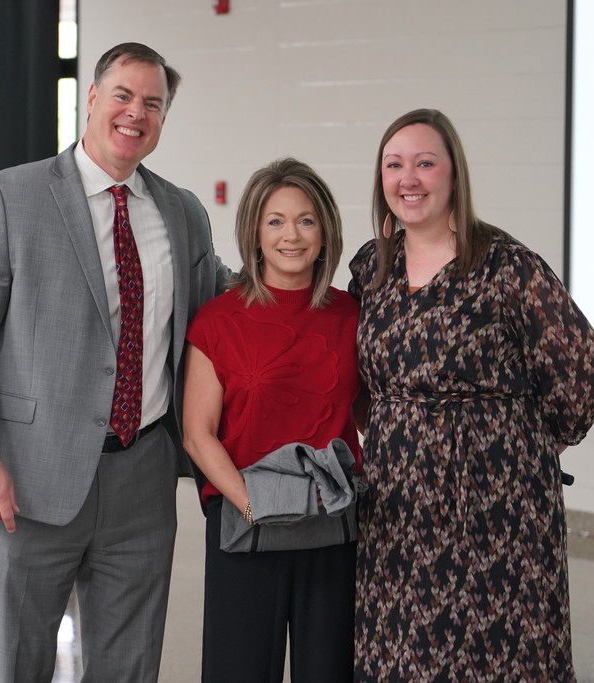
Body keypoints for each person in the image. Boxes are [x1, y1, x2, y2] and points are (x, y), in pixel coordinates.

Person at [0, 42, 228, 682]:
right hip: (29, 476)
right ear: (92, 98)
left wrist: (312, 284)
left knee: (130, 665)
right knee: (18, 661)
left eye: (153, 103)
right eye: (123, 95)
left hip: (144, 476)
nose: (135, 113)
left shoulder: (182, 213)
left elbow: (226, 307)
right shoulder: (10, 196)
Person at [348, 109, 594, 682]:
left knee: (497, 655)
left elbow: (587, 368)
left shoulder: (506, 266)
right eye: (394, 164)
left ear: (453, 175)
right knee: (403, 652)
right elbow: (358, 370)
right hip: (397, 506)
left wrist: (531, 453)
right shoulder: (373, 266)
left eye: (425, 162)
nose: (409, 178)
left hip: (497, 511)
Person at [182, 158, 361, 683]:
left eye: (306, 220)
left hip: (332, 526)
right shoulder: (219, 318)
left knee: (329, 670)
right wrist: (253, 503)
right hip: (246, 523)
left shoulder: (352, 316)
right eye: (275, 220)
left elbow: (375, 411)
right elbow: (197, 433)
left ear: (325, 230)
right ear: (254, 233)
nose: (291, 235)